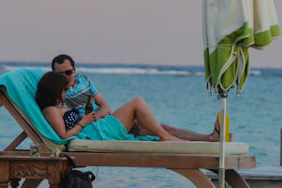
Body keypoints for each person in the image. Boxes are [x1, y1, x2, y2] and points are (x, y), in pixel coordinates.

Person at [50, 54, 221, 141]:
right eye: (60, 73)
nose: (65, 76)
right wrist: (89, 120)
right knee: (137, 102)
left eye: (68, 72)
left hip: (104, 119)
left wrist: (97, 116)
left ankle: (209, 139)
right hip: (97, 128)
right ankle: (167, 139)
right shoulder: (59, 94)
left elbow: (106, 107)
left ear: (74, 69)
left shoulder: (84, 80)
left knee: (162, 127)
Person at [35, 71, 184, 141]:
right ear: (55, 90)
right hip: (95, 133)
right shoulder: (51, 111)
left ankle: (167, 136)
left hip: (96, 126)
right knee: (137, 103)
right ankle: (166, 136)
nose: (66, 92)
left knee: (140, 114)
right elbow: (63, 136)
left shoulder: (58, 107)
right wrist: (83, 122)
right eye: (65, 89)